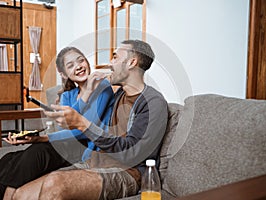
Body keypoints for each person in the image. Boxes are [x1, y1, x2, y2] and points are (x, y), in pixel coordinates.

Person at [10, 39, 169, 200]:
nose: (110, 63)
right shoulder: (119, 95)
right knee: (20, 194)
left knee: (54, 183)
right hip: (94, 162)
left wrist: (81, 123)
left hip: (127, 172)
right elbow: (96, 124)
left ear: (131, 62)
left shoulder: (152, 102)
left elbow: (131, 154)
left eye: (115, 57)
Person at [0, 47, 114, 200]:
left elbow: (83, 130)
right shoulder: (68, 95)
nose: (79, 66)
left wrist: (41, 138)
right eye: (70, 65)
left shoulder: (102, 87)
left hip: (83, 147)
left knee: (37, 152)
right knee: (5, 161)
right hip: (66, 143)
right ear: (64, 74)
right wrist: (32, 137)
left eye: (81, 60)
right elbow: (66, 123)